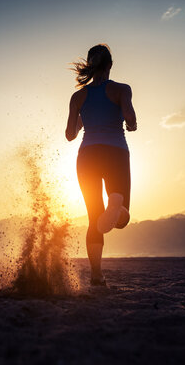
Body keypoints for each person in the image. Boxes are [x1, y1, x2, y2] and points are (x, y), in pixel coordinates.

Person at [65, 44, 137, 286]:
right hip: (115, 153)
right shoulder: (121, 89)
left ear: (89, 65)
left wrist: (85, 119)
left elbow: (69, 134)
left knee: (95, 217)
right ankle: (116, 202)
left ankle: (96, 275)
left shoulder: (78, 96)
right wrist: (130, 124)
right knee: (121, 219)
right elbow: (131, 118)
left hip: (87, 156)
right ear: (110, 65)